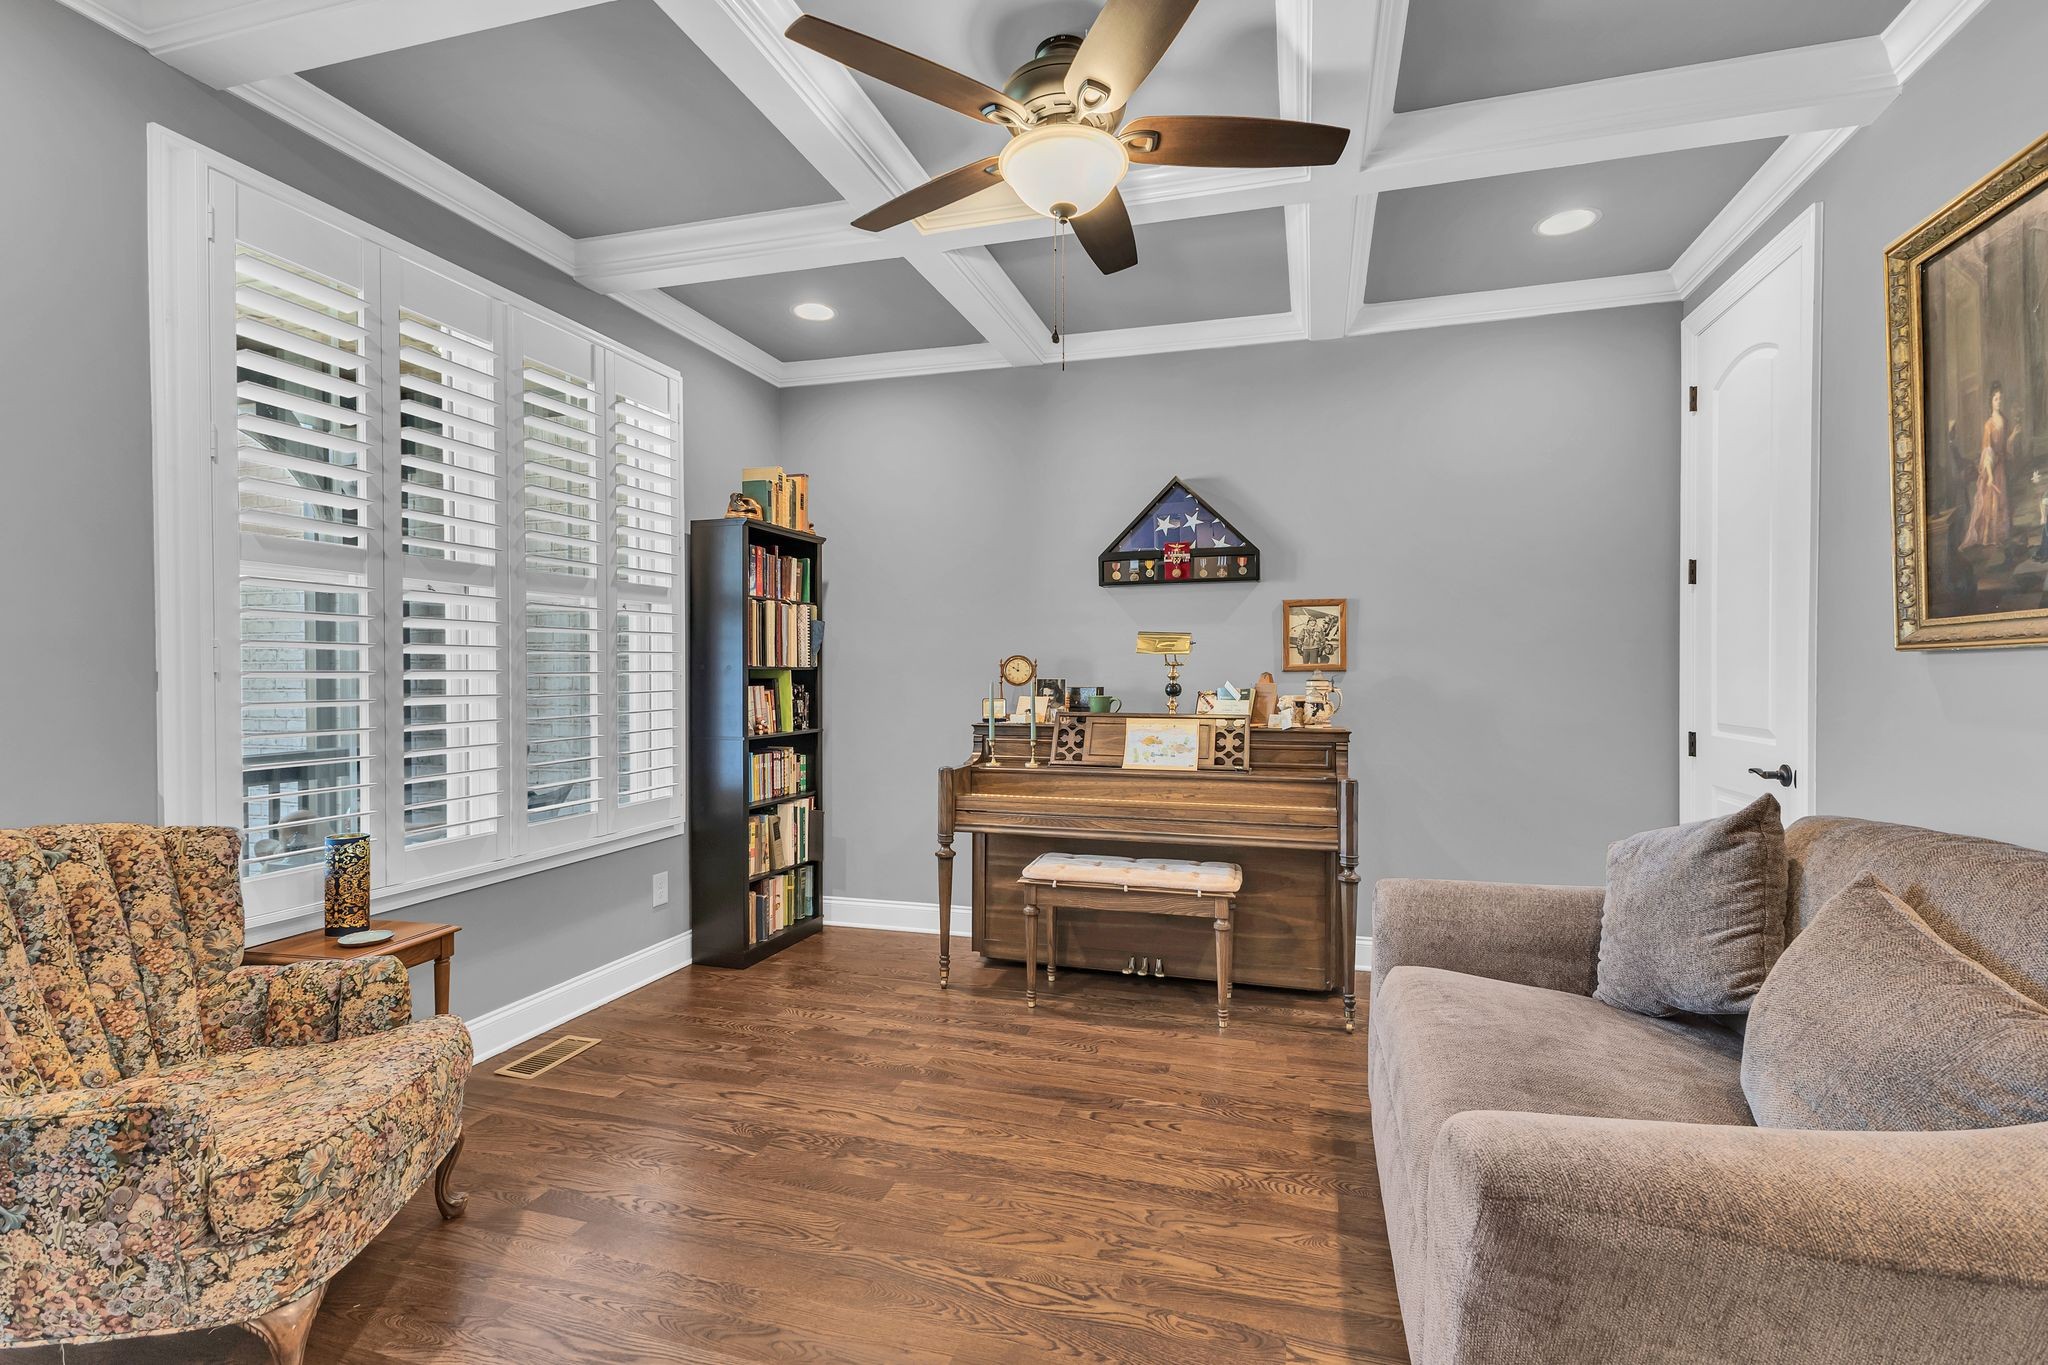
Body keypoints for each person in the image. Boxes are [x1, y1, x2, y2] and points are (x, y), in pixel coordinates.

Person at [1961, 381, 2016, 555]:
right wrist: (1990, 475)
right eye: (1996, 399)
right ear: (1991, 402)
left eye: (2000, 399)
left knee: (2003, 499)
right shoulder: (1989, 424)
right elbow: (1987, 451)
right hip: (1992, 467)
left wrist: (2013, 436)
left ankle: (2002, 534)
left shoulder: (2005, 420)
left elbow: (2006, 448)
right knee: (1992, 501)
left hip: (2002, 467)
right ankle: (1990, 536)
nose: (1999, 402)